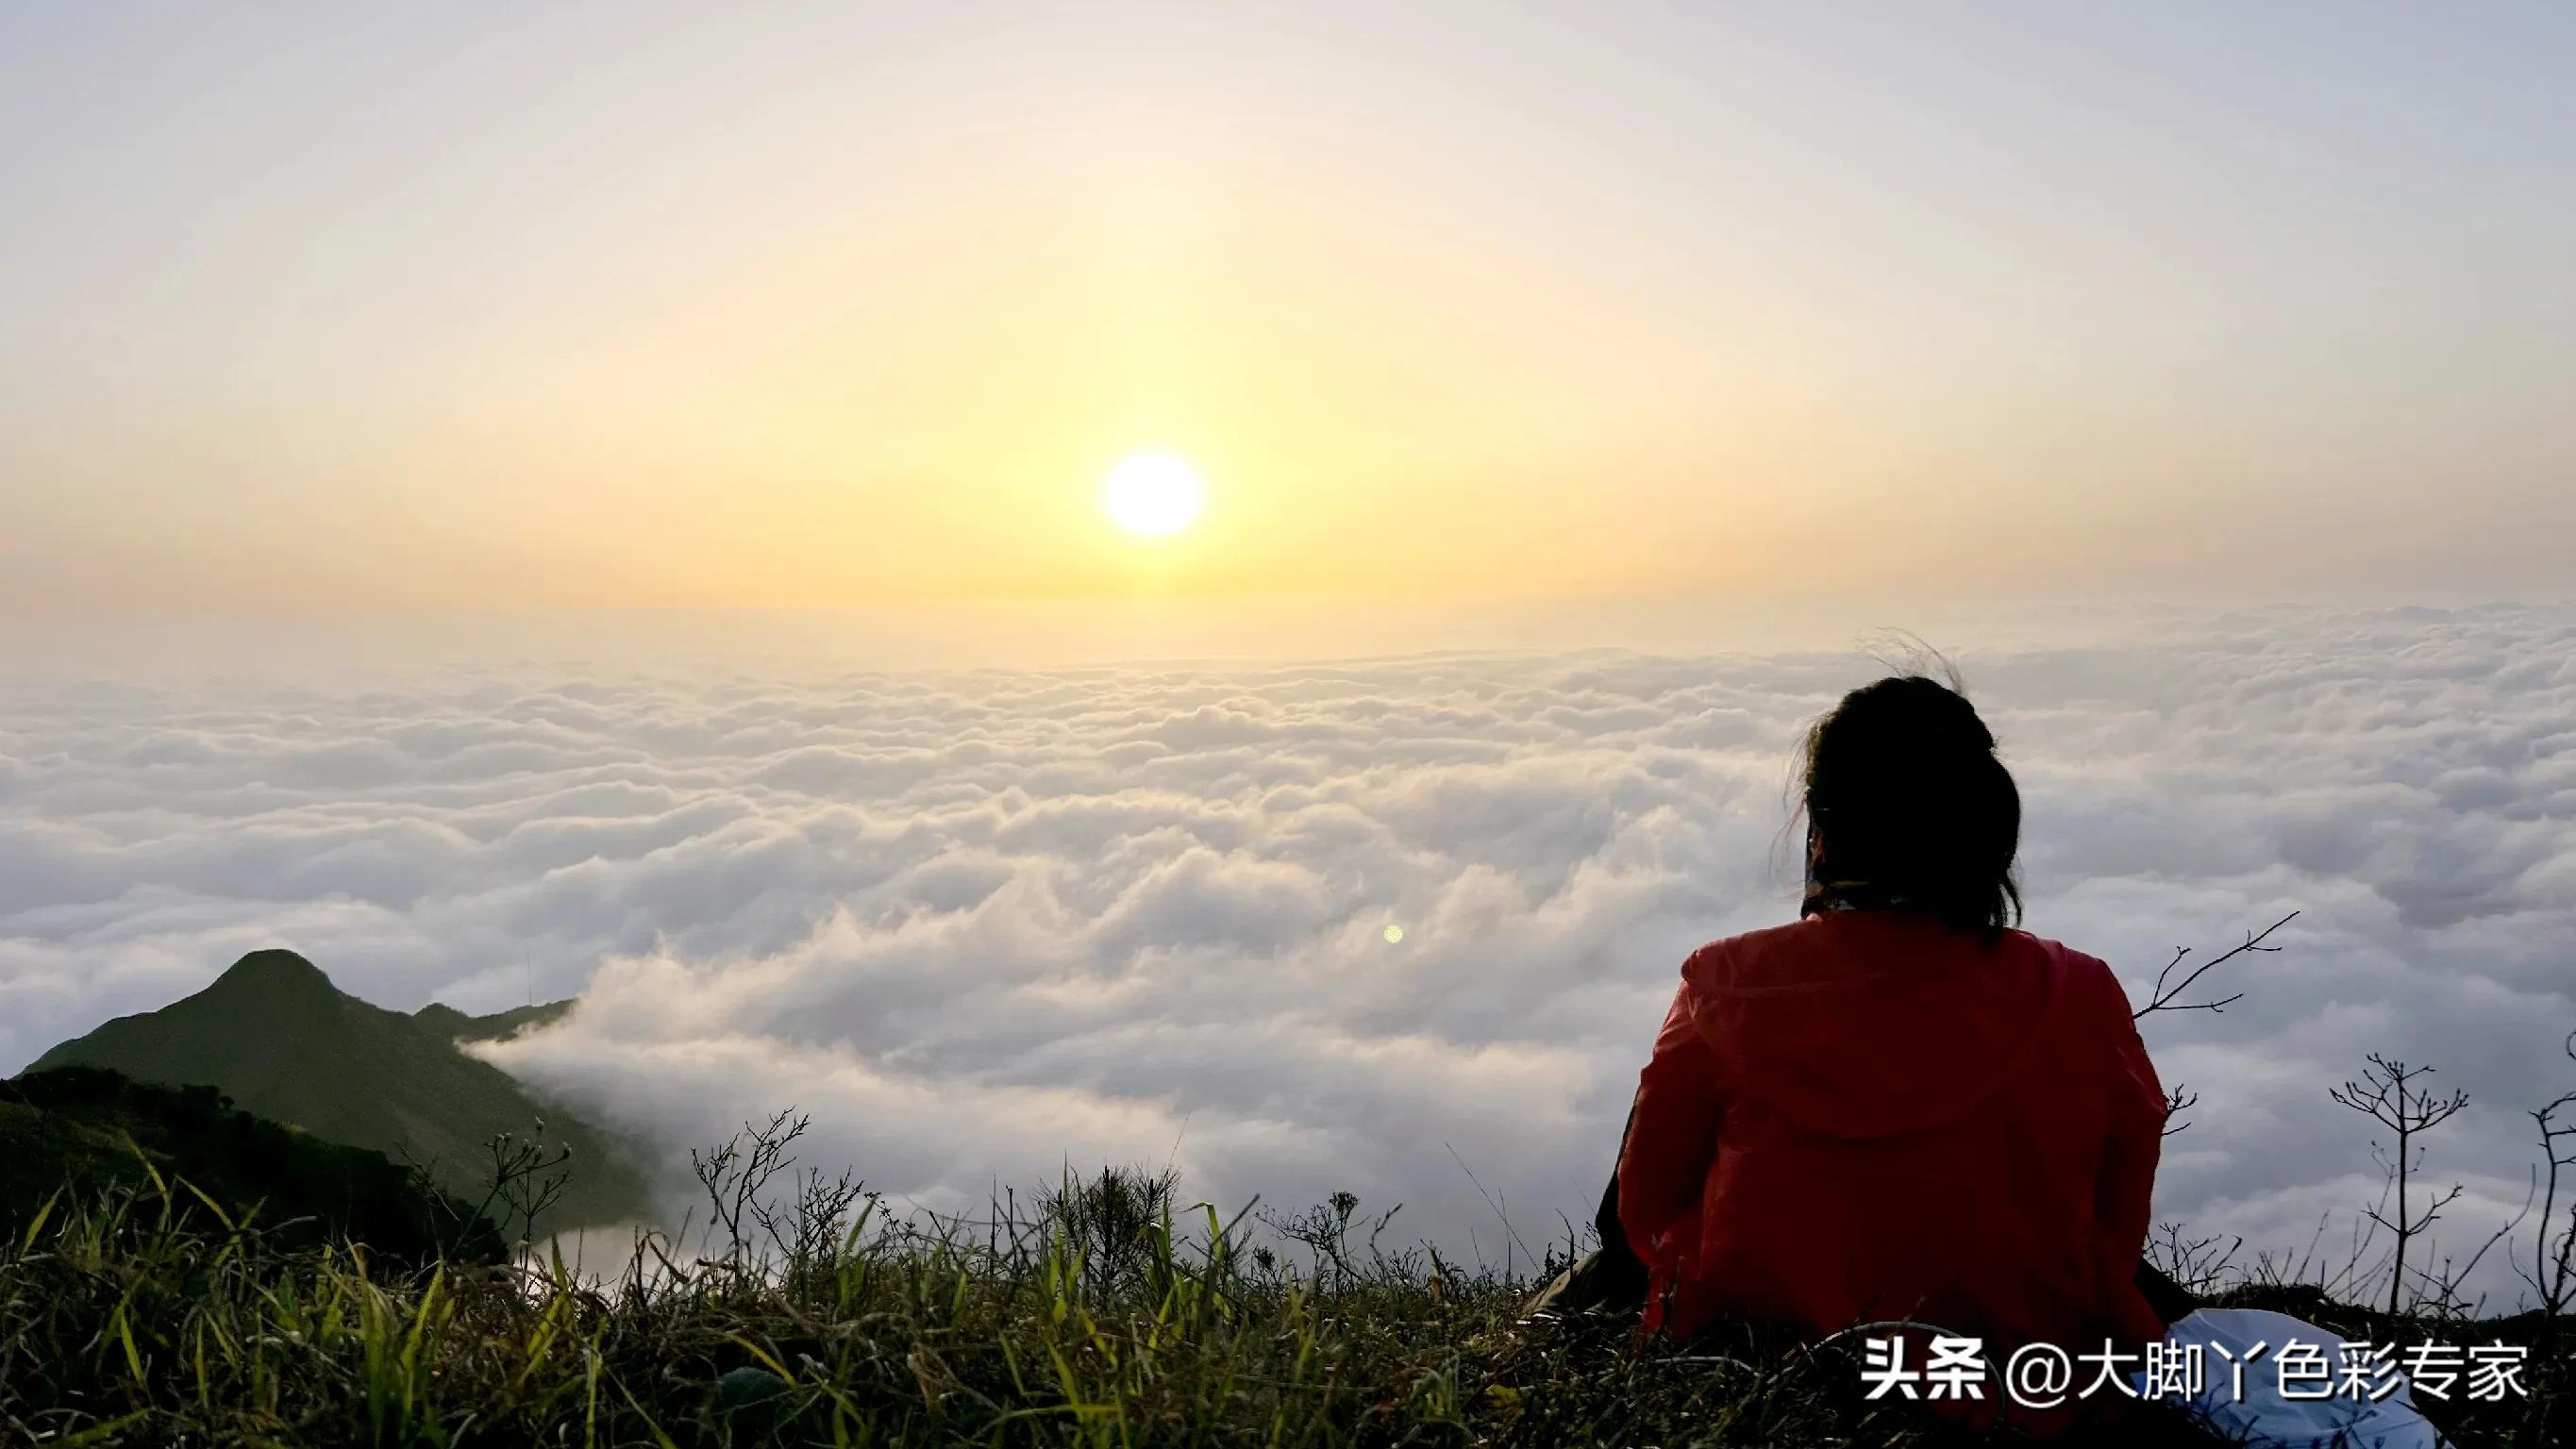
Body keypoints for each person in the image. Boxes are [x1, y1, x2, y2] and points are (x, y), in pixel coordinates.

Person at [1531, 672, 2184, 1424]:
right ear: (1988, 825)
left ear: (1824, 828)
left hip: (1760, 1388)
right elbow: (2113, 1223)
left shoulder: (1724, 986)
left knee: (1596, 1276)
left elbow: (1640, 1213)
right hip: (2020, 1395)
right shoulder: (2082, 992)